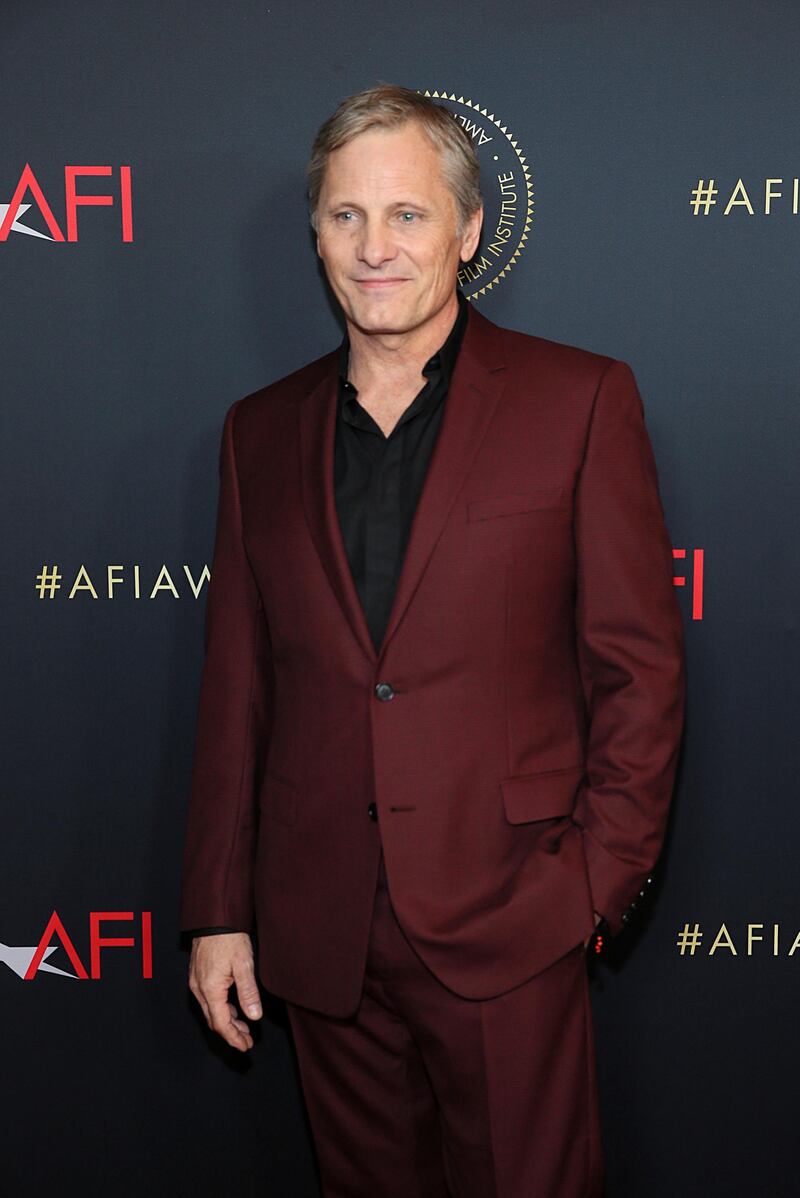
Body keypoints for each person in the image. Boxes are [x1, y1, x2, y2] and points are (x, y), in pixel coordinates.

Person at [180, 83, 686, 1198]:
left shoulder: (578, 401)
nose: (374, 248)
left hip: (510, 916)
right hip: (317, 930)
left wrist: (591, 885)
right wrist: (219, 910)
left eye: (405, 215)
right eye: (345, 216)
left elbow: (636, 671)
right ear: (313, 236)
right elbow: (238, 688)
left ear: (465, 230)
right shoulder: (256, 433)